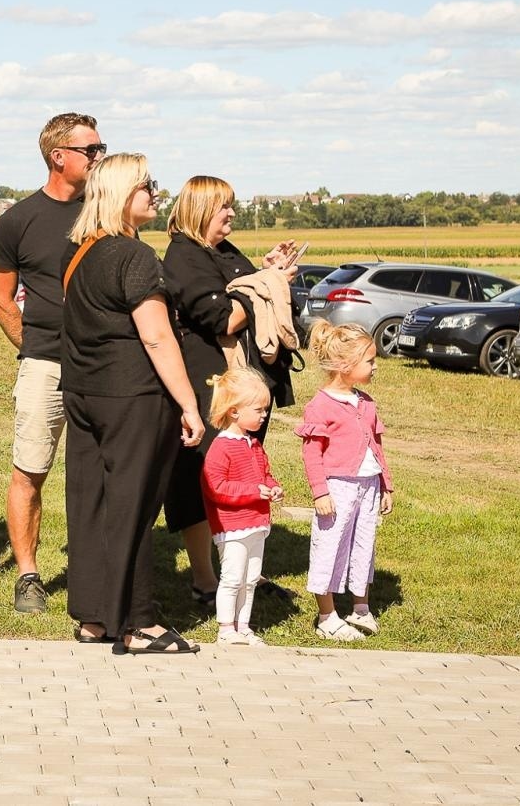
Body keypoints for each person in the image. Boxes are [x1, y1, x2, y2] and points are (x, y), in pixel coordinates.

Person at [62, 153, 206, 655]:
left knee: (90, 505)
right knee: (134, 506)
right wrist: (189, 403)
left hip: (84, 393)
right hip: (133, 396)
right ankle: (138, 622)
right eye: (147, 184)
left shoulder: (80, 252)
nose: (154, 192)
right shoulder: (136, 256)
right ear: (123, 193)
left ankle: (95, 618)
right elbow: (158, 338)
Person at [161, 176, 298, 614]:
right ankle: (205, 578)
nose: (232, 214)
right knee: (202, 478)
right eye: (225, 207)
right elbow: (222, 318)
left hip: (244, 386)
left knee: (243, 472)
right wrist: (269, 282)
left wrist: (266, 271)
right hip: (212, 388)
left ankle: (240, 567)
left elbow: (244, 286)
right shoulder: (184, 254)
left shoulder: (221, 250)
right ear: (202, 209)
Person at [0, 112, 103, 614]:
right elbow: (0, 300)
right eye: (91, 150)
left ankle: (96, 565)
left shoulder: (105, 214)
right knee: (30, 469)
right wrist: (31, 347)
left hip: (103, 367)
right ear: (60, 156)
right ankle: (29, 575)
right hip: (45, 365)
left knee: (100, 470)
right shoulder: (18, 220)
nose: (99, 157)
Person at [298, 319, 395, 642]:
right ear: (344, 365)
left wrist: (385, 485)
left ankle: (360, 607)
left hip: (368, 485)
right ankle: (326, 615)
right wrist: (320, 491)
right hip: (337, 487)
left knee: (364, 545)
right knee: (330, 546)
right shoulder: (320, 406)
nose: (375, 366)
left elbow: (376, 446)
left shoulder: (366, 402)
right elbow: (312, 454)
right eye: (370, 361)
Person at [201, 368, 284, 647]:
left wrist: (272, 486)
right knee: (233, 577)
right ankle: (226, 628)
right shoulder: (221, 447)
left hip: (257, 522)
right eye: (259, 409)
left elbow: (264, 474)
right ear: (234, 411)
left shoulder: (255, 445)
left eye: (265, 409)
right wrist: (253, 492)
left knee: (250, 578)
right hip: (232, 526)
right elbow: (217, 488)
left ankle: (243, 626)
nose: (264, 415)